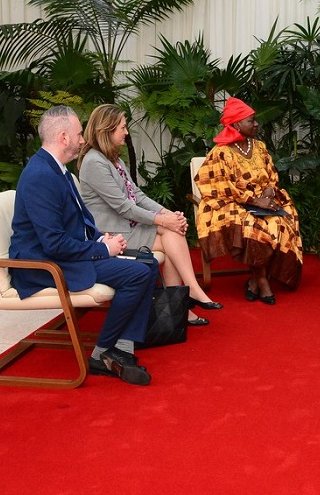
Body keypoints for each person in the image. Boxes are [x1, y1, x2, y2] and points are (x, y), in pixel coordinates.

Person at [9, 105, 157, 385]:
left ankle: (121, 349)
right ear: (64, 137)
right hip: (44, 266)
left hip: (66, 255)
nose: (82, 139)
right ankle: (102, 353)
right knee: (138, 273)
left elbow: (79, 219)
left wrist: (101, 238)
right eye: (78, 134)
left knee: (147, 263)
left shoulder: (57, 170)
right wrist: (103, 250)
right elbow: (53, 243)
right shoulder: (41, 175)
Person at [78, 104, 222, 327]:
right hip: (111, 234)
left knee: (172, 231)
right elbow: (123, 206)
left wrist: (167, 214)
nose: (126, 133)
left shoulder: (114, 159)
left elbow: (136, 194)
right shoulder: (94, 162)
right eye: (122, 128)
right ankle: (186, 297)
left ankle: (183, 303)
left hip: (129, 226)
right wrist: (163, 220)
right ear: (106, 129)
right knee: (171, 234)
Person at [194, 97, 303, 304]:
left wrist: (268, 194)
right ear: (236, 124)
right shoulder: (221, 152)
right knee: (252, 226)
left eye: (255, 120)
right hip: (232, 203)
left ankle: (254, 279)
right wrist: (252, 200)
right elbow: (216, 185)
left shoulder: (260, 146)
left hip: (263, 200)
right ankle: (262, 279)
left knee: (282, 220)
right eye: (251, 121)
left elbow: (272, 175)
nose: (256, 124)